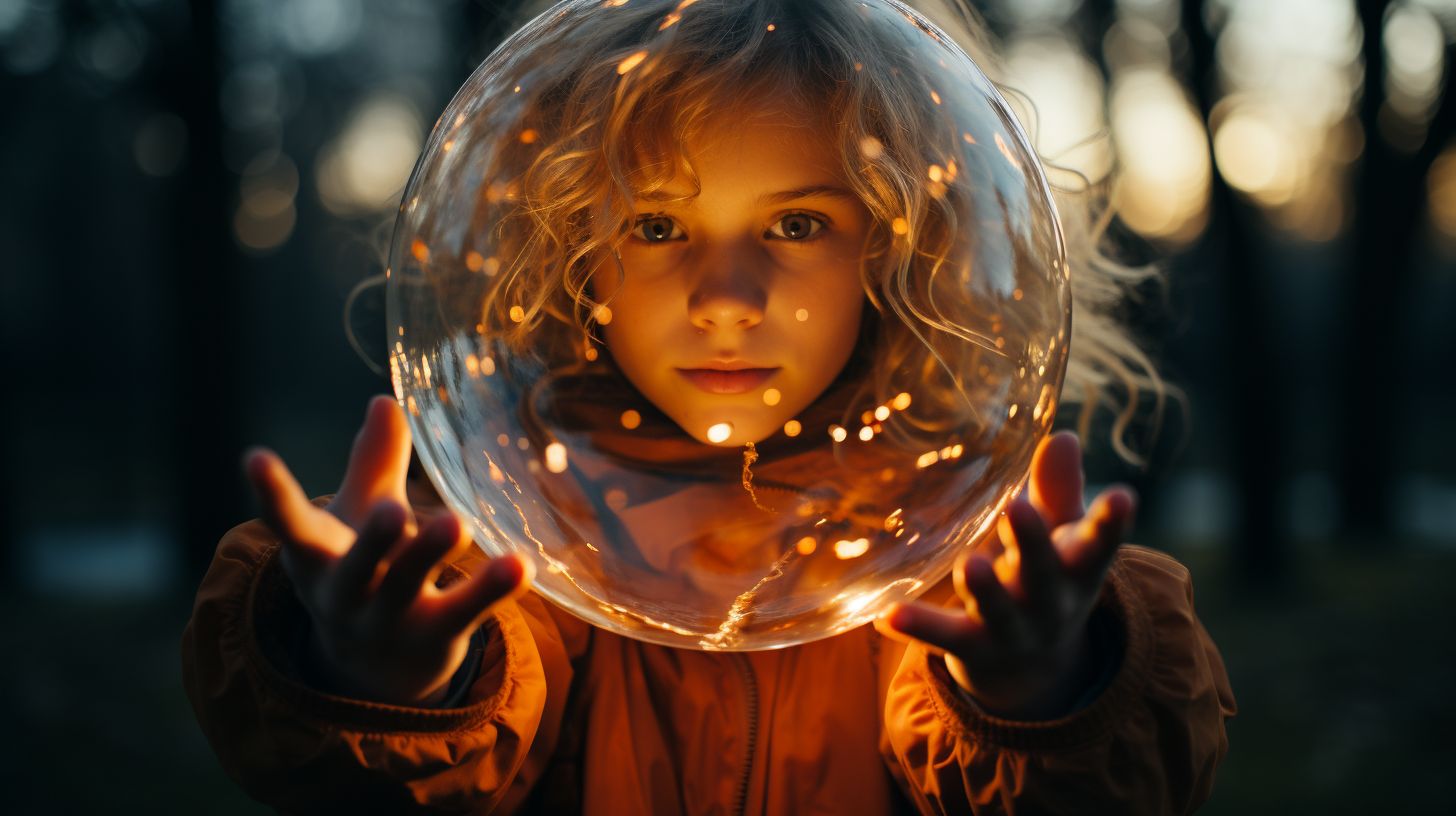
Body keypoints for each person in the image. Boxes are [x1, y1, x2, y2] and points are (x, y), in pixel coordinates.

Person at [182, 1, 1236, 813]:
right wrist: (390, 676)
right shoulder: (507, 530)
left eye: (794, 226)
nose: (725, 299)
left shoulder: (957, 542)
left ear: (900, 244)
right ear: (575, 255)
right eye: (653, 227)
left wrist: (1040, 686)